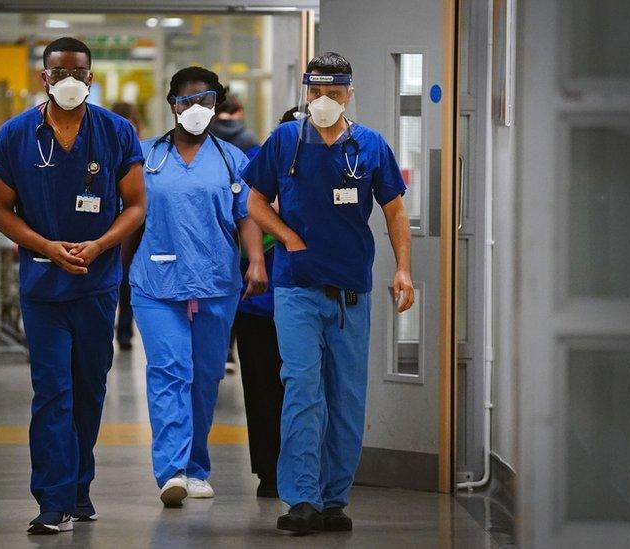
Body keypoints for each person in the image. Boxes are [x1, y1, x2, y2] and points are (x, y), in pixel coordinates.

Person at [243, 52, 415, 535]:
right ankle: (301, 498)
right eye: (316, 93)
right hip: (297, 288)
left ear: (350, 93)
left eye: (334, 94)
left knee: (345, 396)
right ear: (305, 92)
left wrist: (403, 270)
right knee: (301, 388)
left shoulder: (370, 146)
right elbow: (253, 199)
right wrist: (288, 237)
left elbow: (396, 212)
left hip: (350, 293)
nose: (324, 102)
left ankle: (334, 497)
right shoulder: (284, 142)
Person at [0, 37, 146, 535]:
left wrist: (99, 246)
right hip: (43, 286)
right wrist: (46, 246)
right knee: (52, 390)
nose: (69, 80)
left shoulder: (117, 132)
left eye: (78, 71)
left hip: (97, 285)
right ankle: (52, 499)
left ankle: (79, 488)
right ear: (44, 77)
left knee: (89, 390)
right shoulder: (15, 135)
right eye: (59, 72)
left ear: (92, 77)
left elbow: (137, 205)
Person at [126, 66, 267, 508]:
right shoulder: (146, 158)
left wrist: (257, 261)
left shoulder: (231, 160)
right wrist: (118, 269)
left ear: (216, 105)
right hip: (155, 282)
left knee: (205, 377)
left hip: (215, 281)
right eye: (187, 101)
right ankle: (172, 471)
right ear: (172, 104)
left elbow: (247, 216)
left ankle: (196, 467)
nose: (196, 109)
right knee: (170, 370)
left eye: (205, 100)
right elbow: (131, 216)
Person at [234, 106, 302, 500]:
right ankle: (270, 469)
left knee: (304, 388)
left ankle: (304, 466)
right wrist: (257, 261)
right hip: (262, 300)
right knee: (262, 388)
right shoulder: (264, 161)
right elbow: (249, 214)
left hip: (306, 297)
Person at [110, 102, 142, 351]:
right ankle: (122, 331)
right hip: (123, 222)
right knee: (122, 279)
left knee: (123, 278)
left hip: (129, 220)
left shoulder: (139, 149)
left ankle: (121, 330)